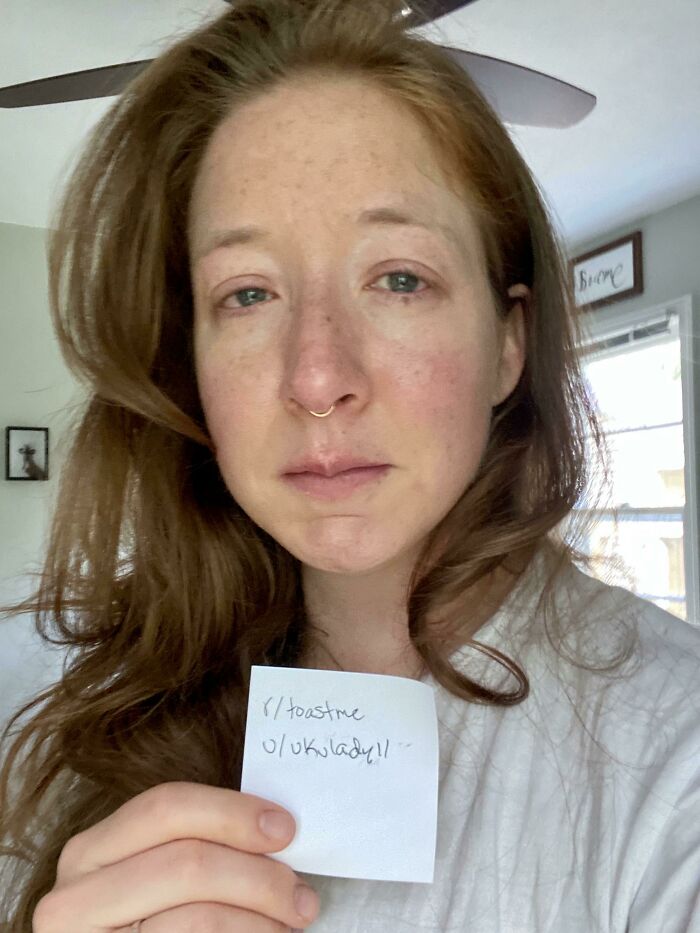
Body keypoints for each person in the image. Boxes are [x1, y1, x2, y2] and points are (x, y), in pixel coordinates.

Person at [1, 0, 699, 929]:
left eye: (399, 278)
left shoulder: (674, 758)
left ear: (508, 342)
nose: (318, 377)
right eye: (247, 294)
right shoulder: (49, 698)